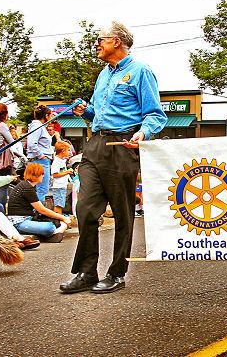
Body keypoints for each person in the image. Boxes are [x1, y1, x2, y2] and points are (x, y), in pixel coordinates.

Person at [59, 21, 167, 294]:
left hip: (123, 145)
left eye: (101, 40)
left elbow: (155, 114)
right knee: (84, 210)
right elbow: (96, 112)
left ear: (117, 42)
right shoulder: (103, 74)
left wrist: (143, 134)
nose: (97, 44)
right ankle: (86, 272)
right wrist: (85, 111)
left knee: (122, 214)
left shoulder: (141, 72)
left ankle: (117, 273)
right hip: (95, 145)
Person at [7, 163, 71, 243]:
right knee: (49, 227)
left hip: (26, 218)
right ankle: (56, 232)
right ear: (36, 175)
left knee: (57, 220)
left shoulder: (26, 185)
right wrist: (63, 218)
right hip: (19, 222)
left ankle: (54, 233)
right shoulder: (27, 188)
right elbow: (42, 210)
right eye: (42, 174)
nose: (43, 176)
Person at [0, 103, 26, 211]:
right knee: (4, 185)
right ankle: (1, 211)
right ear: (3, 114)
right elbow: (11, 142)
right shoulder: (2, 125)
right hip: (4, 158)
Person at [26, 105, 55, 203]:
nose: (51, 117)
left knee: (36, 189)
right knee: (42, 189)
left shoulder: (38, 126)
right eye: (50, 115)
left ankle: (36, 212)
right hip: (40, 161)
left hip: (39, 160)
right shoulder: (38, 126)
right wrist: (41, 155)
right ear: (46, 116)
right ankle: (38, 213)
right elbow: (31, 144)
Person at [51, 141, 73, 215]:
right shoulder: (57, 161)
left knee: (60, 204)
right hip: (58, 186)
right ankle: (58, 220)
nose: (69, 152)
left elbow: (61, 171)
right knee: (58, 205)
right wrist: (67, 172)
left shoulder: (62, 160)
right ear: (63, 151)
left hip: (62, 186)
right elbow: (55, 174)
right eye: (68, 150)